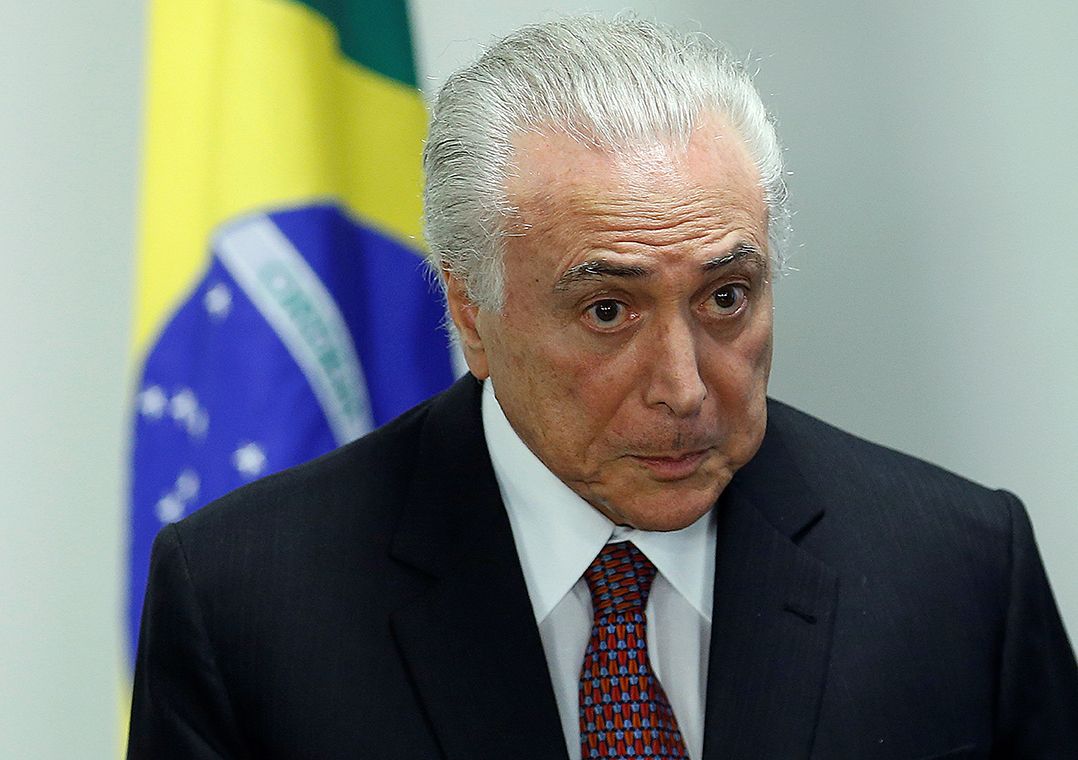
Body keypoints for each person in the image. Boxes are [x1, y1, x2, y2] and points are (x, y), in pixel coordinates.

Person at [127, 15, 1078, 759]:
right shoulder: (246, 603)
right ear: (471, 315)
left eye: (726, 297)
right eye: (609, 311)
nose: (685, 389)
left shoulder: (960, 572)